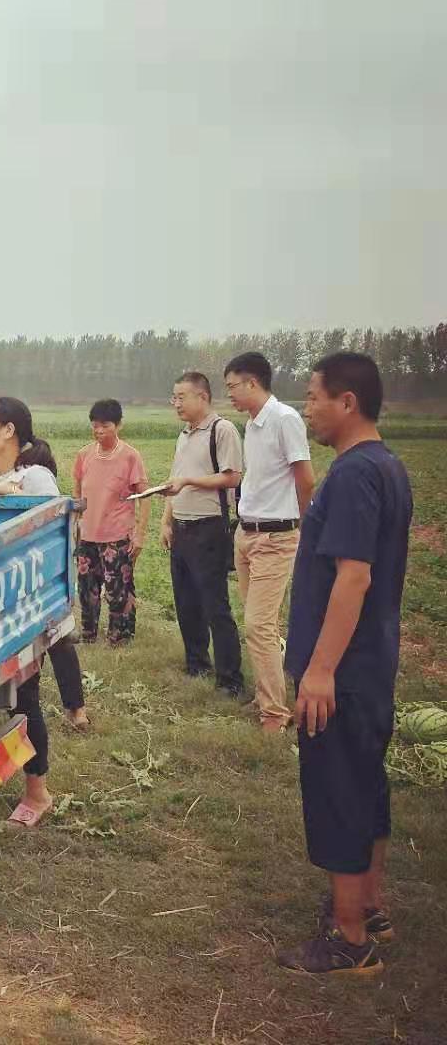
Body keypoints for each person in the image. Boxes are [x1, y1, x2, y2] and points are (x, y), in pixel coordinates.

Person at [274, 353, 411, 977]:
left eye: (313, 396)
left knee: (339, 790)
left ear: (347, 402)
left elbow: (353, 577)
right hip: (371, 661)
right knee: (365, 782)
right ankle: (369, 906)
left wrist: (320, 668)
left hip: (344, 670)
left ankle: (349, 939)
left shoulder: (354, 474)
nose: (307, 409)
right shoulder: (386, 465)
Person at [0, 396, 91, 827]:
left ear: (8, 431)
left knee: (25, 697)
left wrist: (3, 491)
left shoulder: (36, 475)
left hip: (31, 603)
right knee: (0, 697)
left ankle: (38, 793)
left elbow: (52, 522)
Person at [224, 352, 315, 734]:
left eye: (232, 386)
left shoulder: (284, 419)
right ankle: (269, 695)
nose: (229, 393)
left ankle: (275, 714)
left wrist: (306, 529)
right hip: (247, 534)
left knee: (258, 625)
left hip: (275, 537)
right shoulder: (252, 423)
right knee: (261, 623)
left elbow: (305, 479)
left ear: (252, 382)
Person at [160, 373, 245, 696]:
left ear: (203, 397)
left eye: (181, 397)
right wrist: (166, 521)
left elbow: (232, 477)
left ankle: (229, 679)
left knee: (215, 605)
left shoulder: (222, 430)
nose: (176, 404)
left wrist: (189, 482)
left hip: (208, 528)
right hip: (182, 526)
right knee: (186, 602)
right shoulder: (184, 435)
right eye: (174, 397)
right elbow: (175, 479)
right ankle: (196, 664)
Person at [71, 399, 150, 646]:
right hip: (87, 534)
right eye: (95, 425)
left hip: (117, 535)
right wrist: (76, 524)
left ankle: (120, 637)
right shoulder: (84, 455)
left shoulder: (130, 457)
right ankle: (88, 635)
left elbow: (144, 497)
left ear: (118, 425)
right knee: (87, 590)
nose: (99, 431)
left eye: (105, 425)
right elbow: (77, 493)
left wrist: (139, 533)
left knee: (118, 590)